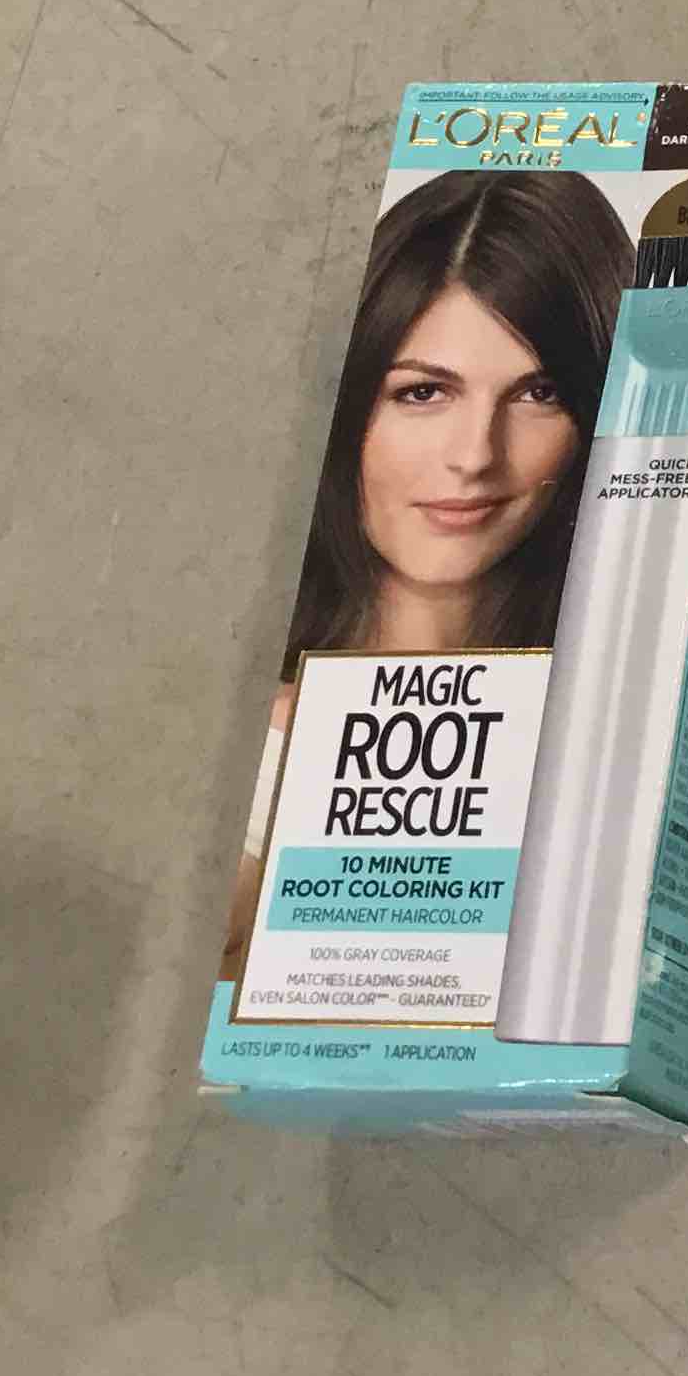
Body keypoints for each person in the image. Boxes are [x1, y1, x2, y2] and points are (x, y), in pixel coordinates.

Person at [219, 170, 630, 979]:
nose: (475, 456)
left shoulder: (614, 731)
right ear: (346, 408)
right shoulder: (238, 753)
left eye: (539, 392)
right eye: (423, 392)